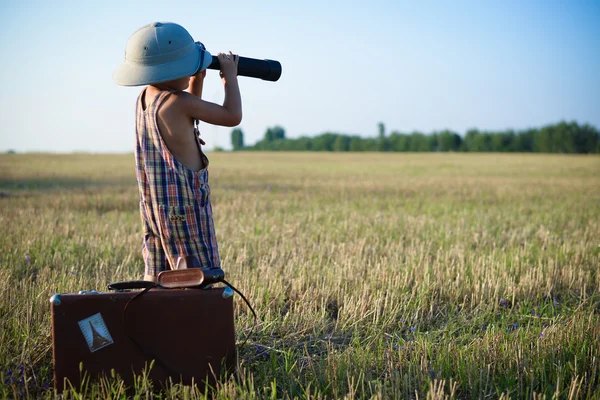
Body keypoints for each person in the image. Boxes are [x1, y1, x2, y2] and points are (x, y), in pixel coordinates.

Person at [113, 22, 241, 281]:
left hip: (156, 210)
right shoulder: (178, 102)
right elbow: (232, 116)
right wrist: (230, 78)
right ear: (171, 69)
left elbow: (187, 120)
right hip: (185, 208)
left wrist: (197, 80)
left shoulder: (146, 99)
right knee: (198, 277)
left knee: (161, 278)